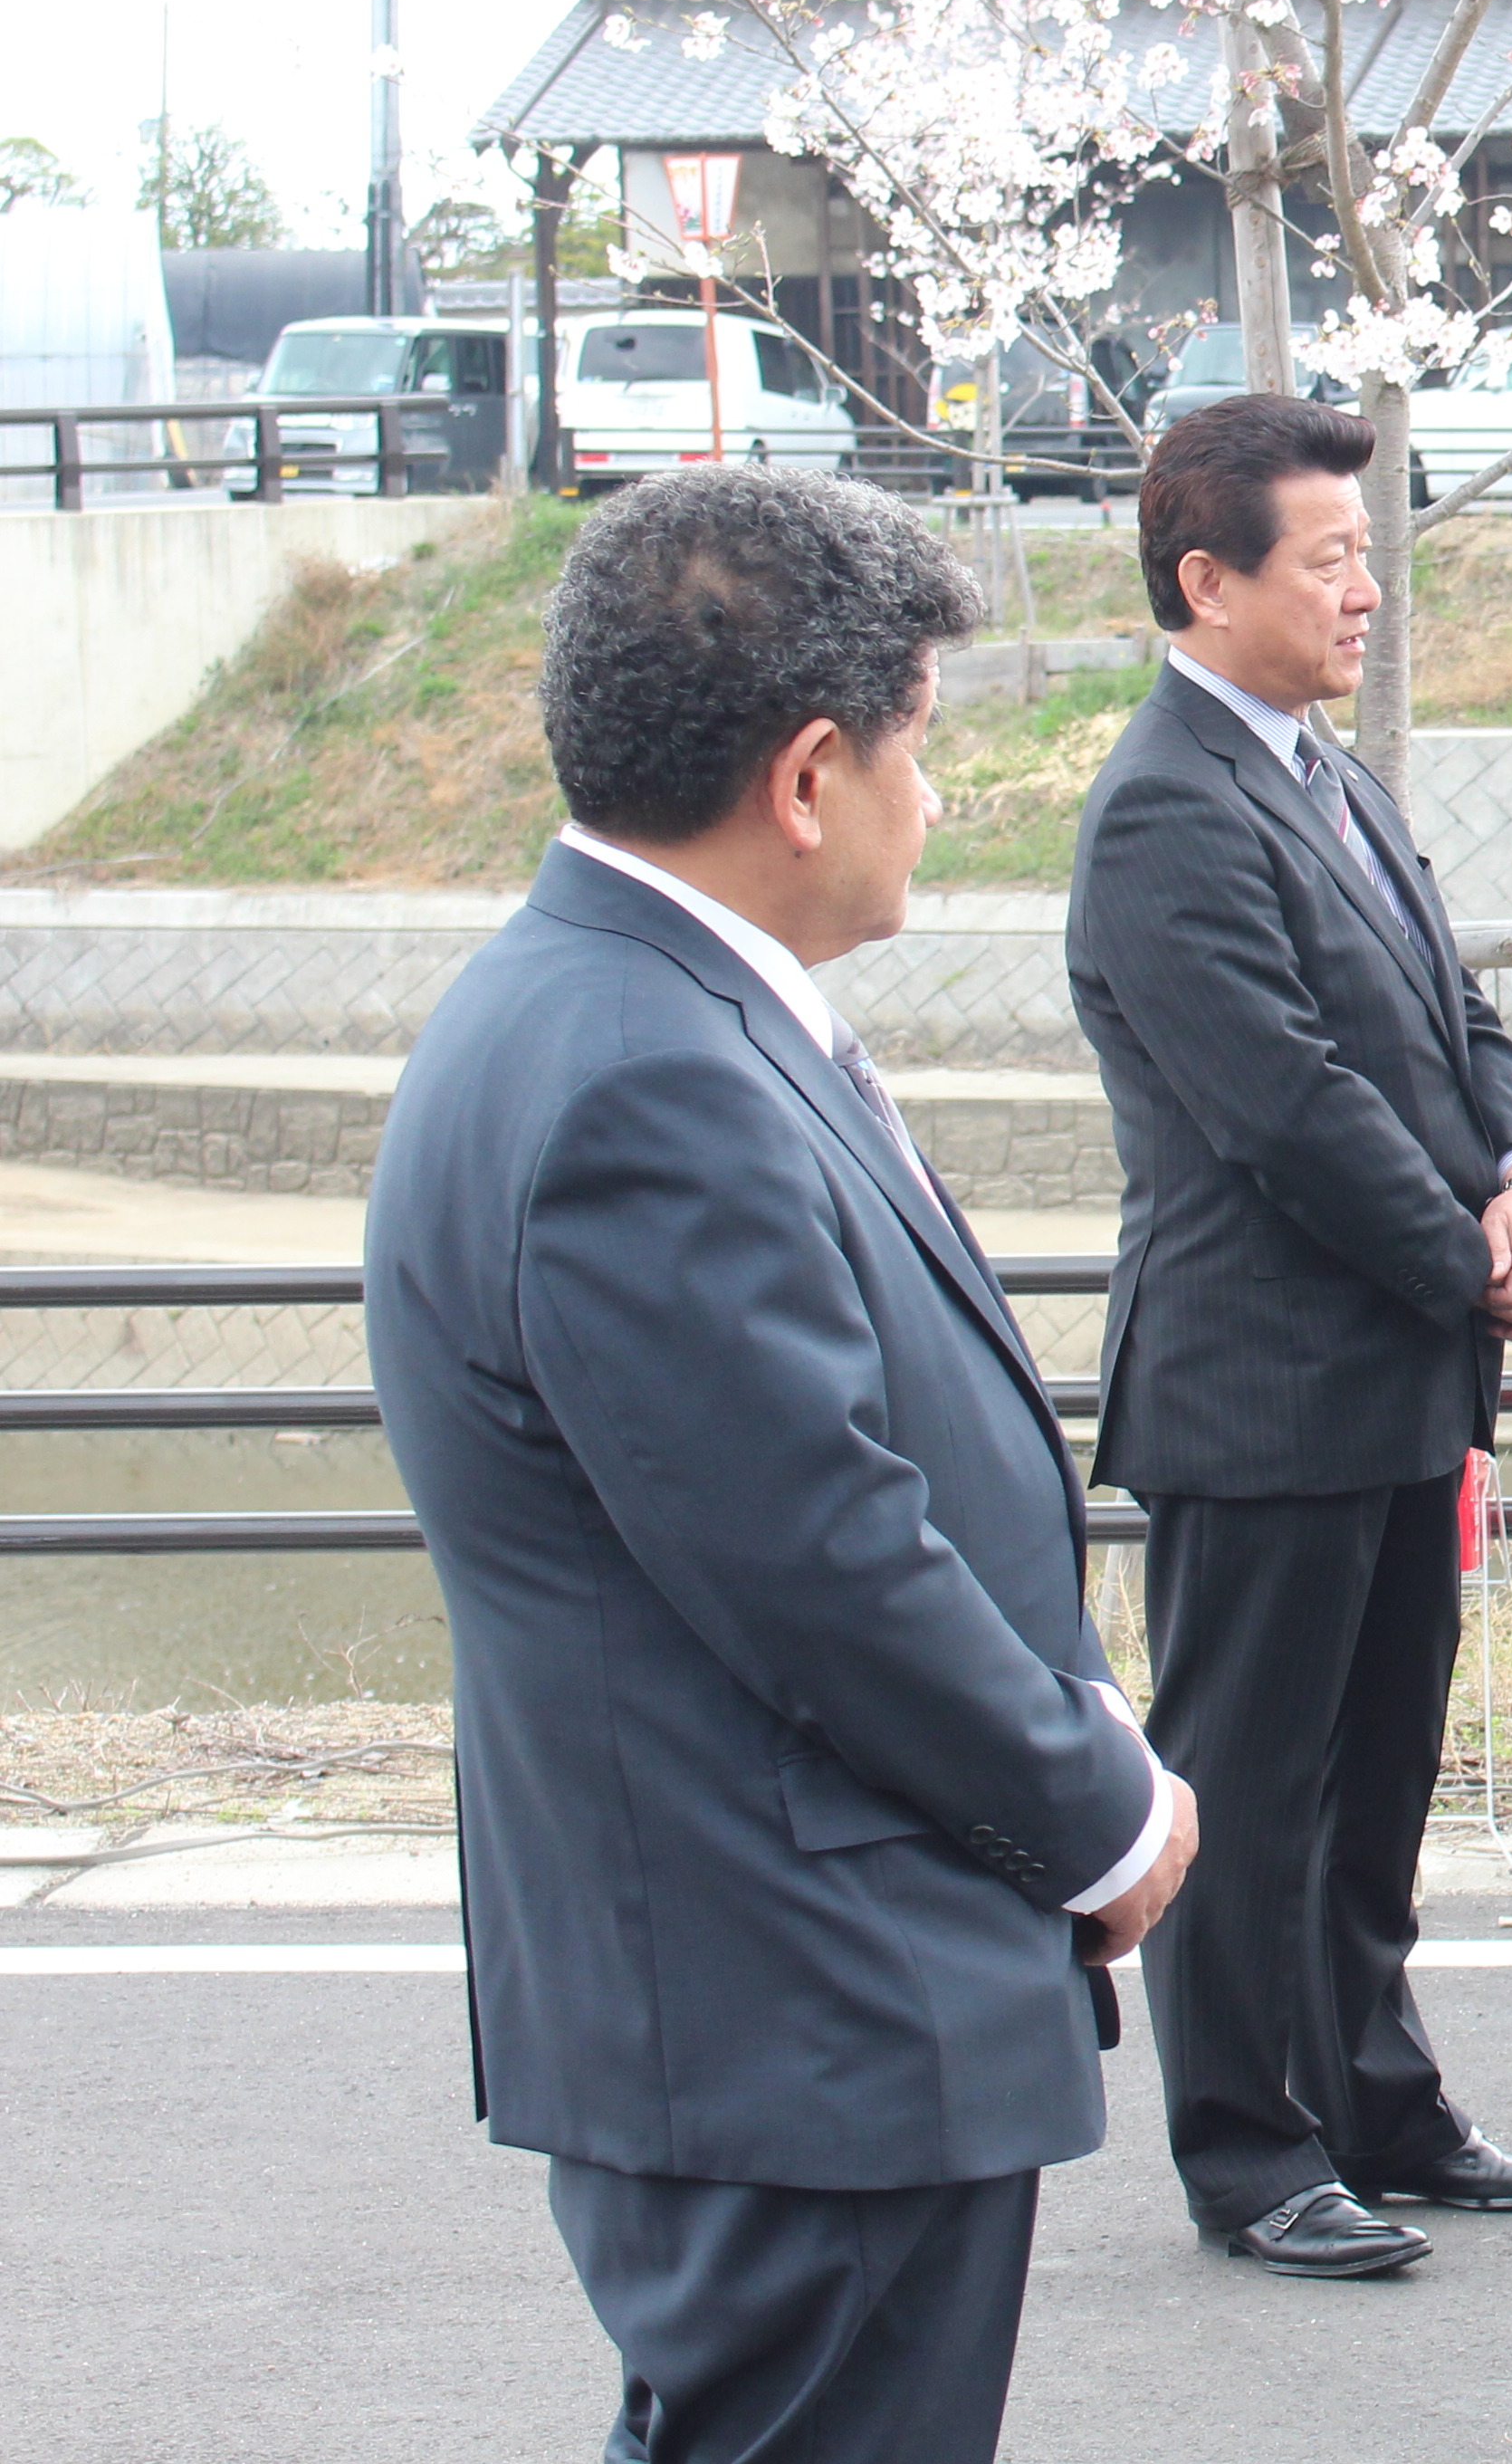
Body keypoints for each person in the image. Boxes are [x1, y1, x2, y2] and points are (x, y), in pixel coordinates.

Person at [368, 467, 1197, 2461]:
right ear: (811, 774)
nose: (945, 793)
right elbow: (823, 1561)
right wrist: (1100, 1804)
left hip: (768, 1988)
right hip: (797, 1998)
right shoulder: (648, 1076)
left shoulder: (624, 1010)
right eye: (924, 742)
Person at [1067, 394, 1512, 2279]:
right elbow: (1284, 1105)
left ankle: (1383, 2100)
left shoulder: (1324, 774)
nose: (1367, 590)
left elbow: (1453, 1024)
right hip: (1262, 1383)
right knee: (1252, 1779)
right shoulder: (1160, 809)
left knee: (1376, 1776)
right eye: (1330, 558)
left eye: (1371, 554)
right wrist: (1472, 1260)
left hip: (1393, 1372)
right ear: (1207, 582)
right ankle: (1251, 2145)